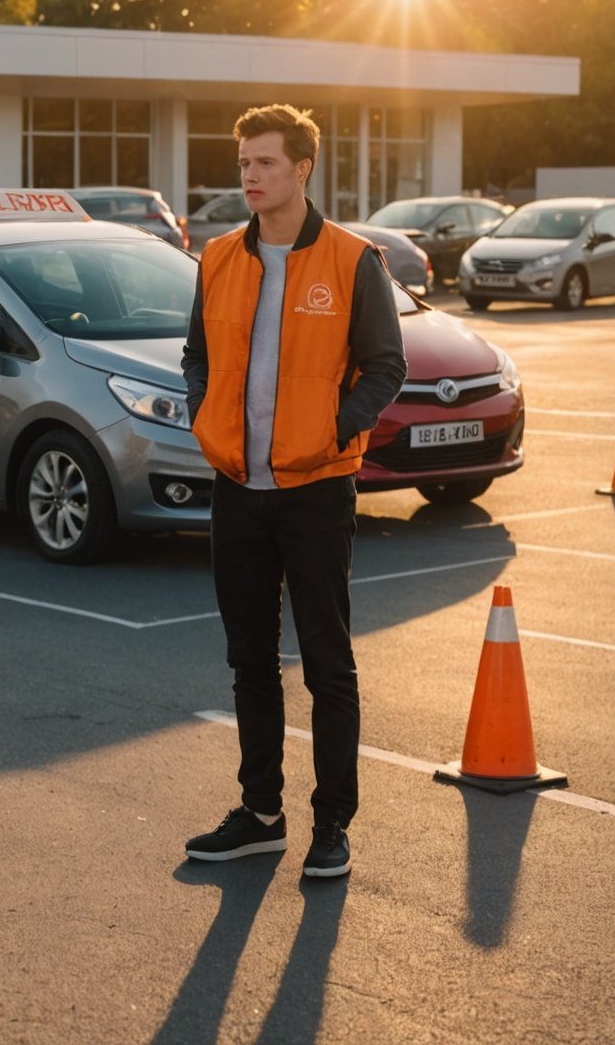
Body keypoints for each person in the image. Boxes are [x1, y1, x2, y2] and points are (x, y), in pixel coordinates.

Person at [178, 105, 407, 879]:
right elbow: (196, 357)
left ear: (302, 168)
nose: (250, 175)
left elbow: (386, 366)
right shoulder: (217, 257)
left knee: (326, 665)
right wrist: (206, 420)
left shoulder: (353, 259)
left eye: (265, 162)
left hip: (316, 490)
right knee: (249, 660)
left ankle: (332, 823)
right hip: (237, 489)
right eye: (244, 162)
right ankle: (261, 814)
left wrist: (332, 431)